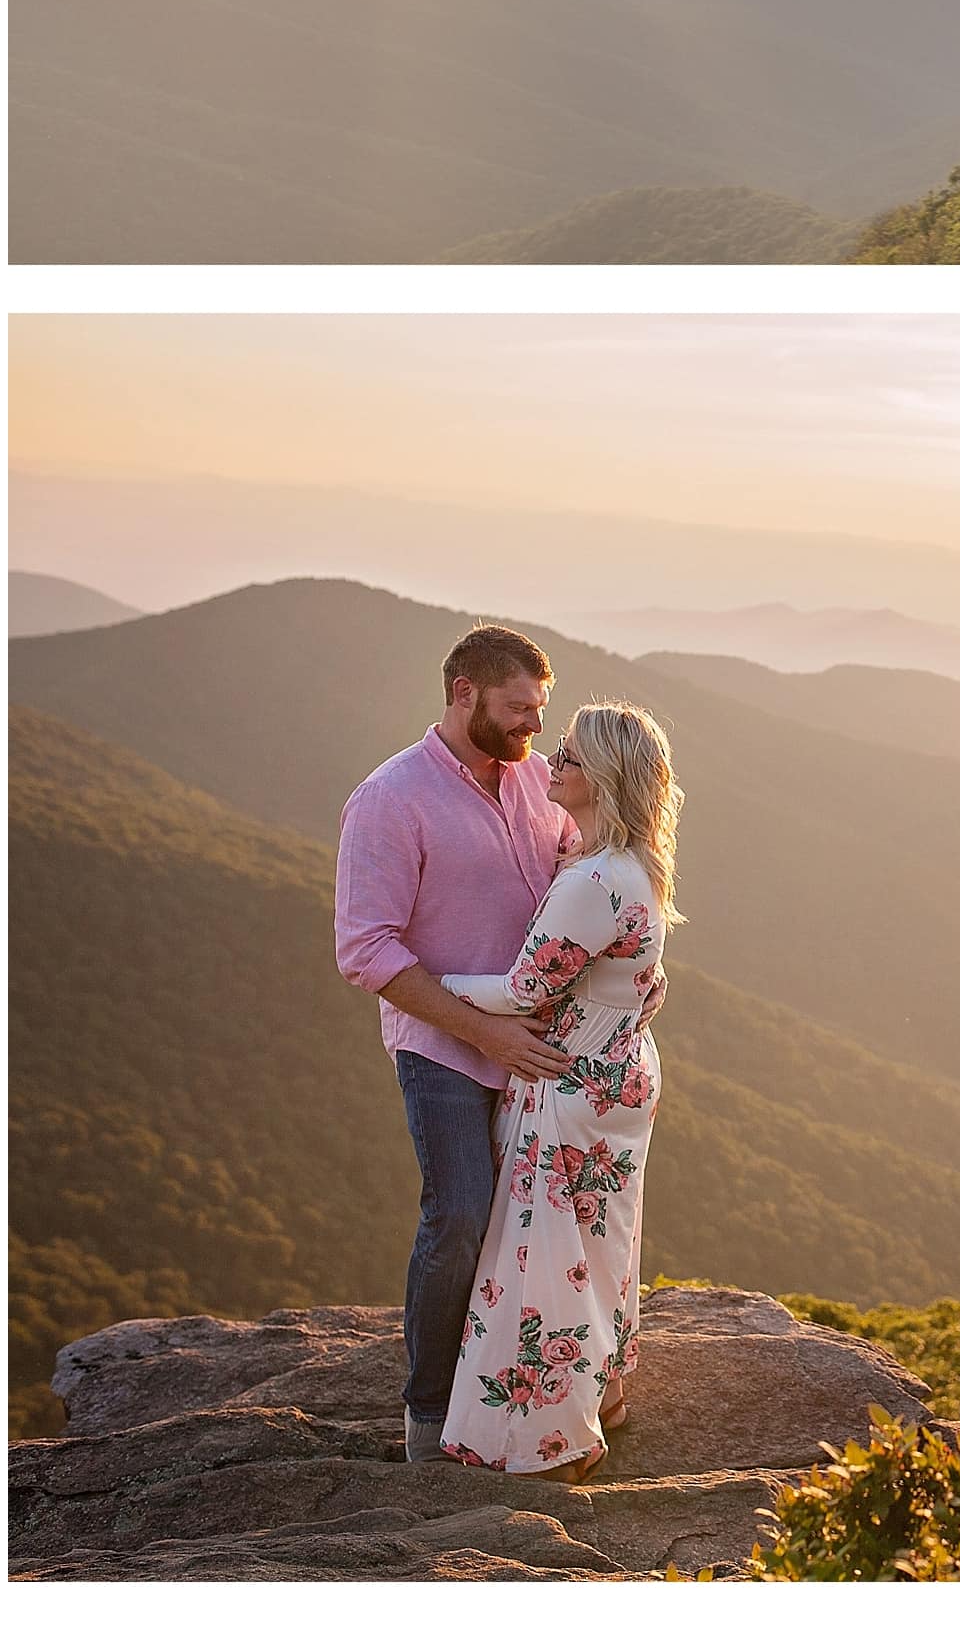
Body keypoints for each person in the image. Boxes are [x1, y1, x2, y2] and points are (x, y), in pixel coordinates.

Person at [334, 625, 579, 1464]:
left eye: (539, 712)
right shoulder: (388, 798)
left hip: (541, 1046)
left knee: (535, 1224)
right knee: (463, 1215)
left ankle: (505, 1400)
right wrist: (488, 1036)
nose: (533, 730)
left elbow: (579, 876)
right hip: (443, 1046)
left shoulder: (540, 780)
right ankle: (429, 1415)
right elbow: (366, 951)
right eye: (518, 709)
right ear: (464, 692)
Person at [437, 703, 681, 1479]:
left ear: (602, 776)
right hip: (621, 1072)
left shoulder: (596, 880)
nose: (551, 763)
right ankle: (600, 1392)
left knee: (544, 1252)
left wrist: (427, 981)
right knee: (599, 1245)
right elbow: (637, 973)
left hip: (570, 1083)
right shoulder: (634, 863)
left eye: (568, 756)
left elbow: (522, 987)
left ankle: (544, 1438)